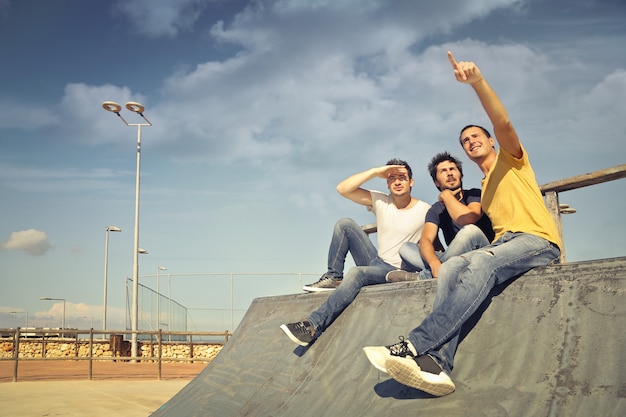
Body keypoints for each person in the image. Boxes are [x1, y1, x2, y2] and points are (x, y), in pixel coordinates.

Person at [363, 52, 562, 397]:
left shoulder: (511, 160)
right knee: (453, 267)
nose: (471, 142)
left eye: (476, 137)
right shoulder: (482, 189)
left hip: (537, 240)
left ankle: (414, 344)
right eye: (465, 141)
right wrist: (444, 194)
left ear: (489, 141)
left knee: (482, 259)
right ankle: (438, 364)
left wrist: (477, 82)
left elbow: (504, 124)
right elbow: (465, 219)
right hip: (505, 244)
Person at [281, 159, 431, 346]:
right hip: (376, 261)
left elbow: (432, 245)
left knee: (357, 273)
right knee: (345, 224)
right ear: (387, 183)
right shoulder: (381, 200)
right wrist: (376, 171)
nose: (398, 182)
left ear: (411, 182)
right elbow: (343, 189)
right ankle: (334, 277)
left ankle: (313, 325)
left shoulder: (425, 210)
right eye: (392, 178)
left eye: (402, 177)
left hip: (395, 270)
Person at [386, 151, 494, 282]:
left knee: (470, 231)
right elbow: (426, 240)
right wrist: (434, 263)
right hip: (457, 258)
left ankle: (424, 276)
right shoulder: (436, 209)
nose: (449, 173)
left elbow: (469, 218)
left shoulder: (474, 194)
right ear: (437, 182)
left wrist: (447, 196)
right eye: (443, 171)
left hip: (482, 252)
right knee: (406, 248)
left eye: (452, 169)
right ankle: (446, 269)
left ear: (460, 175)